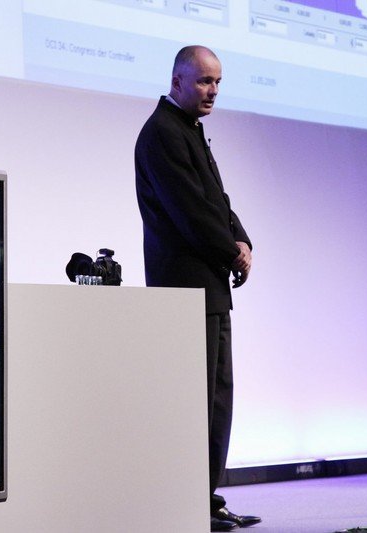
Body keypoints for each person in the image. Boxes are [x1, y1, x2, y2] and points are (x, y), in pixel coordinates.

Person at [135, 45, 260, 532]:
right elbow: (190, 211)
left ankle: (205, 498)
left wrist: (242, 240)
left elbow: (218, 202)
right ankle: (189, 504)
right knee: (195, 403)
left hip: (208, 288)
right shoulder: (162, 133)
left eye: (218, 82)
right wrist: (232, 252)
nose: (213, 91)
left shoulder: (188, 130)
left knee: (217, 400)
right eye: (205, 81)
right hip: (184, 290)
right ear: (178, 81)